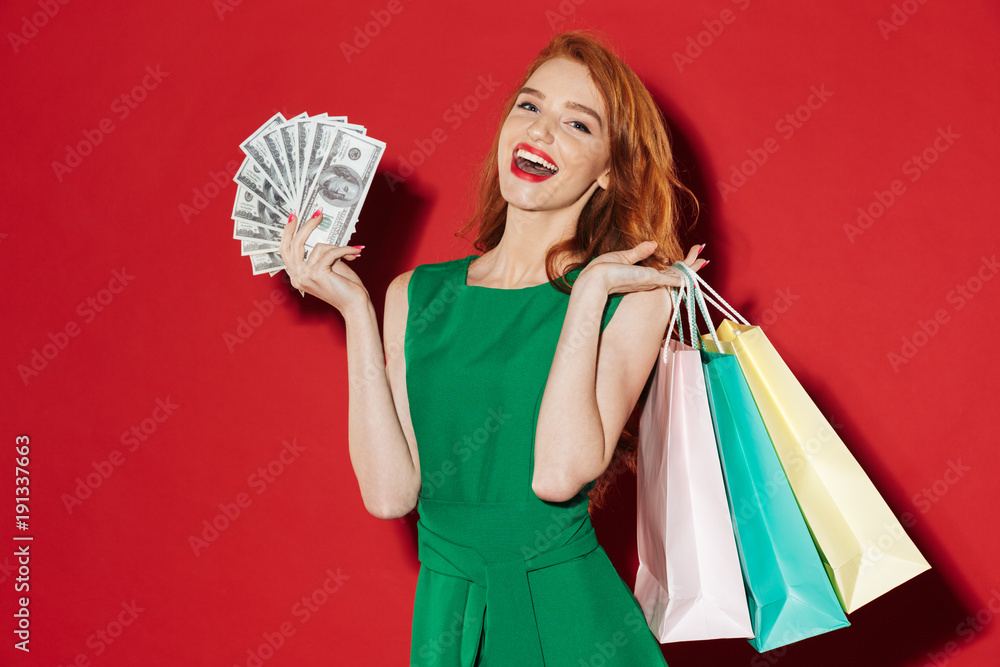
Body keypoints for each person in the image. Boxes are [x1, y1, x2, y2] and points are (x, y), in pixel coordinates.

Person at [279, 30, 706, 666]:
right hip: (450, 619)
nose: (541, 132)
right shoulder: (415, 295)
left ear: (610, 173)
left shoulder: (630, 298)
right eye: (529, 107)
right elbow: (389, 494)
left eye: (578, 124)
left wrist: (586, 295)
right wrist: (356, 312)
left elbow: (558, 475)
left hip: (572, 625)